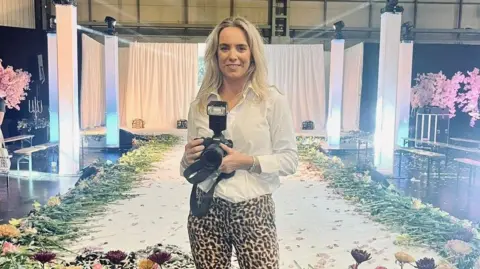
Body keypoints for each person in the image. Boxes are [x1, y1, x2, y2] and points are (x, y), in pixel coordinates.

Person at [180, 16, 298, 269]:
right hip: (206, 208)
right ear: (215, 54)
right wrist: (187, 159)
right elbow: (186, 168)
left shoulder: (271, 101)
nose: (232, 55)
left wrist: (247, 162)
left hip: (254, 208)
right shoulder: (200, 105)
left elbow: (290, 160)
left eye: (240, 48)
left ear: (252, 53)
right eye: (225, 48)